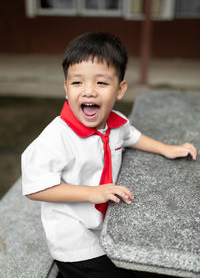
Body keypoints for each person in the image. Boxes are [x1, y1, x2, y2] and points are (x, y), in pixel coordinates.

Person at [21, 32, 197, 278]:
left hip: (103, 225)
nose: (89, 91)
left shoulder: (115, 123)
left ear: (120, 90)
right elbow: (35, 188)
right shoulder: (55, 139)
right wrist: (93, 192)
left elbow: (131, 135)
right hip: (73, 239)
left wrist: (166, 149)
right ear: (66, 89)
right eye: (77, 82)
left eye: (101, 83)